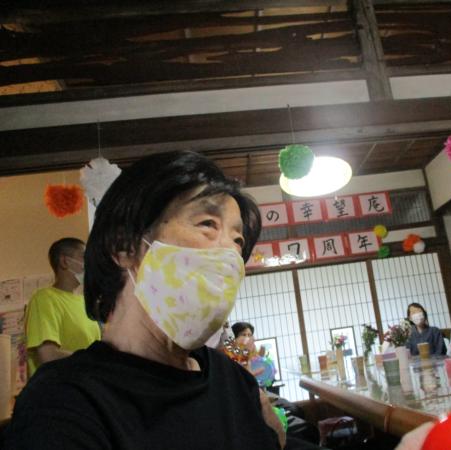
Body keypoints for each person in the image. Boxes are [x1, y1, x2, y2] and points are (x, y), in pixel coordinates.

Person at [5, 151, 320, 450]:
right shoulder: (63, 402)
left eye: (238, 240)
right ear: (124, 246)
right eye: (207, 224)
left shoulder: (233, 380)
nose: (229, 253)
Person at [24, 237, 101, 376]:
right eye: (84, 257)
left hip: (88, 384)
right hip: (58, 387)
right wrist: (93, 361)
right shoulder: (44, 299)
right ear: (64, 262)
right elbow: (48, 356)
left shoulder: (84, 303)